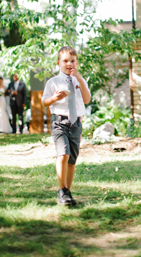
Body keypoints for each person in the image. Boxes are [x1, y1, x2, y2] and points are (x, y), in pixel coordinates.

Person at [42, 46, 90, 206]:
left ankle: (67, 192)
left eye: (72, 61)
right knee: (63, 154)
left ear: (77, 63)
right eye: (65, 61)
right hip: (59, 122)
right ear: (58, 63)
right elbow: (44, 101)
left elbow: (87, 99)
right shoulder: (53, 82)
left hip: (76, 123)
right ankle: (61, 189)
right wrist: (54, 98)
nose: (69, 64)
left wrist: (80, 79)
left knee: (72, 159)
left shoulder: (79, 80)